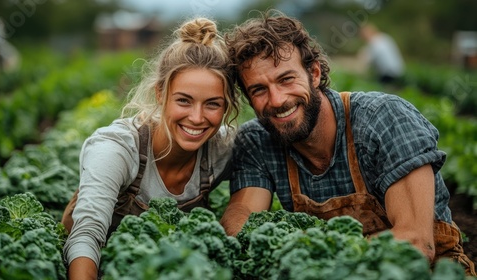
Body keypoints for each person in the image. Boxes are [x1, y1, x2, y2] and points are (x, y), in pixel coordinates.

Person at [219, 10, 476, 275]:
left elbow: (416, 243)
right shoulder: (256, 139)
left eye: (286, 79)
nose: (276, 100)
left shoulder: (385, 118)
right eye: (259, 90)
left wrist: (313, 258)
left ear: (314, 73)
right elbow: (242, 217)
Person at [62, 17, 240, 279]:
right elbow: (86, 235)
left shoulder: (222, 149)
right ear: (160, 94)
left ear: (226, 106)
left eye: (212, 104)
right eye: (184, 101)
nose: (197, 117)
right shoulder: (116, 148)